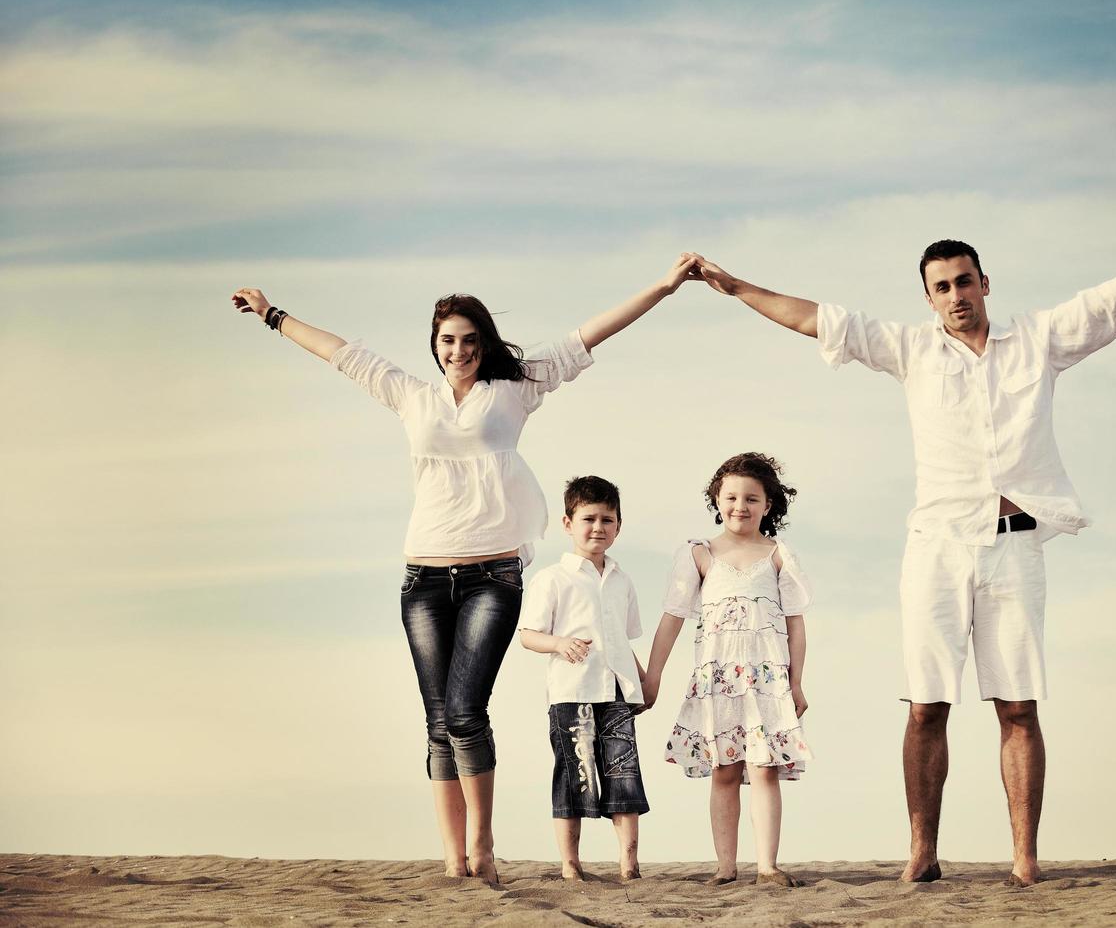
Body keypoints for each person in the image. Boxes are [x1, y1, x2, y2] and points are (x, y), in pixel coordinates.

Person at [691, 222, 1116, 886]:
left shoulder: (1038, 340)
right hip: (935, 549)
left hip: (1014, 549)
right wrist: (735, 288)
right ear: (929, 298)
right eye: (942, 287)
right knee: (927, 705)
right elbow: (817, 320)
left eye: (965, 281)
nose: (956, 294)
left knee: (1018, 705)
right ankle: (922, 851)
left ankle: (1024, 859)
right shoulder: (910, 350)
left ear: (985, 284)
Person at [228, 254, 700, 882]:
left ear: (484, 344)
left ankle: (483, 844)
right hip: (423, 578)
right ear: (435, 346)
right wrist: (271, 314)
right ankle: (453, 858)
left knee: (464, 712)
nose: (459, 350)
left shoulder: (515, 389)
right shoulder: (410, 396)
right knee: (436, 720)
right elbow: (338, 352)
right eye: (448, 341)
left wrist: (665, 286)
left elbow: (591, 332)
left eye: (470, 340)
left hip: (494, 576)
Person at [642, 452, 814, 888]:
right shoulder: (699, 554)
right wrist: (653, 674)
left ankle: (767, 866)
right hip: (717, 680)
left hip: (767, 681)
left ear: (768, 505)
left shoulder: (778, 555)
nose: (741, 506)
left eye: (752, 498)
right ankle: (726, 866)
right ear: (716, 499)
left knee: (763, 769)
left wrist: (796, 684)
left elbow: (796, 624)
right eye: (732, 496)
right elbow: (673, 617)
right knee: (724, 769)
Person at [518, 475, 650, 882]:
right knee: (574, 775)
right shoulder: (553, 578)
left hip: (616, 693)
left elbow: (622, 641)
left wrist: (642, 681)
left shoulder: (622, 580)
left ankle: (629, 865)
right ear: (567, 523)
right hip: (571, 693)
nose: (598, 528)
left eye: (607, 520)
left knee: (624, 774)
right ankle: (570, 865)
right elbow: (528, 634)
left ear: (619, 525)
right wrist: (559, 644)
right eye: (589, 518)